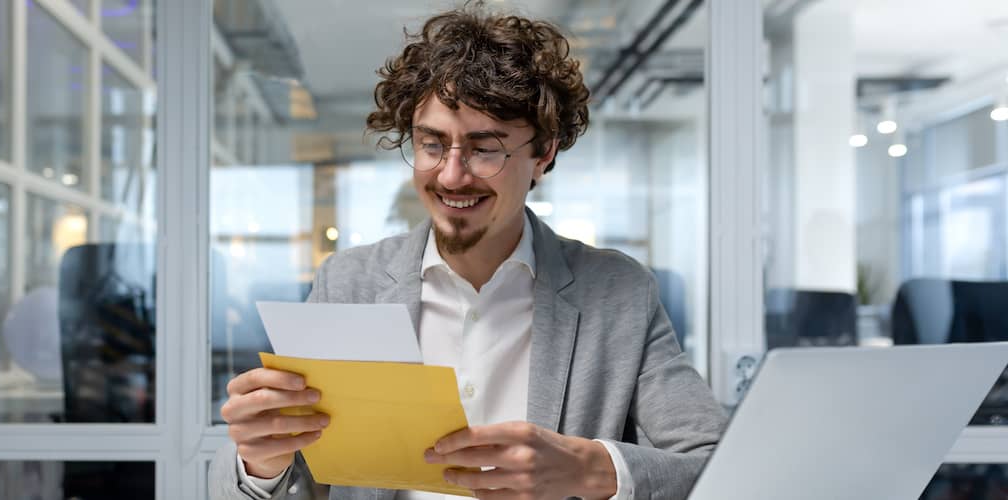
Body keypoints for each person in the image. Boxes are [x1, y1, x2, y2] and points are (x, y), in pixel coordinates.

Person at [210, 4, 726, 500]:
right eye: (432, 144)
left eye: (484, 149)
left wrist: (588, 468)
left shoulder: (618, 293)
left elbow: (718, 465)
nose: (452, 175)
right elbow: (297, 481)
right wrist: (262, 462)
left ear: (543, 152)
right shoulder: (349, 283)